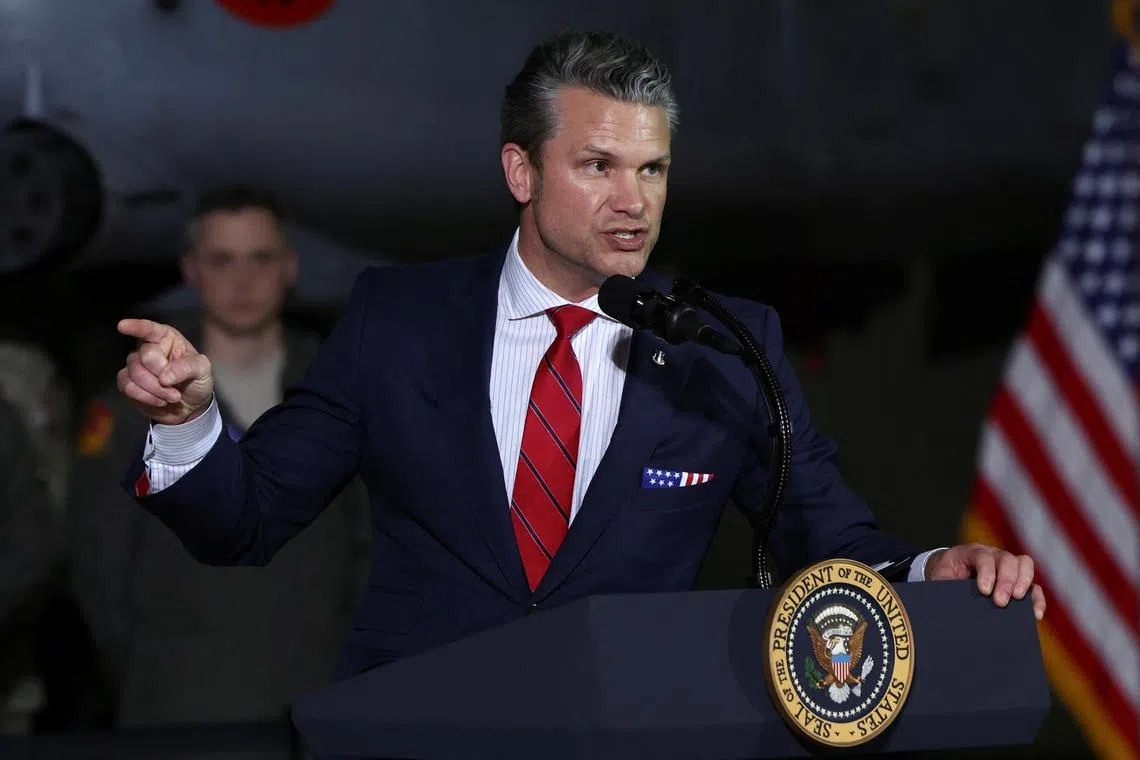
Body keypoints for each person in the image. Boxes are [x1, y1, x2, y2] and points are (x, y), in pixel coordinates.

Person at [112, 31, 1046, 686]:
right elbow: (249, 518)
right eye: (599, 166)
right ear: (521, 172)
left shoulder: (724, 345)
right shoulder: (399, 321)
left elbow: (829, 541)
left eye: (652, 169)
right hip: (417, 731)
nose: (633, 201)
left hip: (630, 733)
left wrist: (932, 574)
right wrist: (188, 421)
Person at [69, 186, 371, 729]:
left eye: (261, 258)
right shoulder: (133, 408)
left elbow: (371, 546)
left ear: (290, 267)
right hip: (180, 705)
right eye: (222, 260)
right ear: (191, 271)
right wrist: (148, 672)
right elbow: (98, 567)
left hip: (322, 695)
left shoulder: (343, 391)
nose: (243, 280)